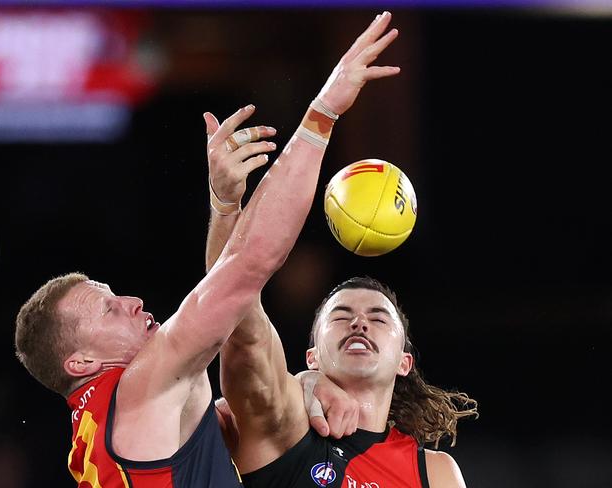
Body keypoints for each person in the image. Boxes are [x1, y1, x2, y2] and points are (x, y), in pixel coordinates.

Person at [13, 11, 398, 488]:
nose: (132, 302)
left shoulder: (109, 427)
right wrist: (322, 114)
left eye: (117, 296)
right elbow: (247, 269)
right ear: (82, 364)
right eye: (109, 310)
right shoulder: (141, 388)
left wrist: (306, 383)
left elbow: (245, 362)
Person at [205, 12, 479, 488]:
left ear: (404, 361)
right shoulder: (279, 426)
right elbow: (235, 312)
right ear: (312, 357)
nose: (360, 321)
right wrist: (226, 204)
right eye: (341, 315)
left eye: (379, 317)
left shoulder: (434, 472)